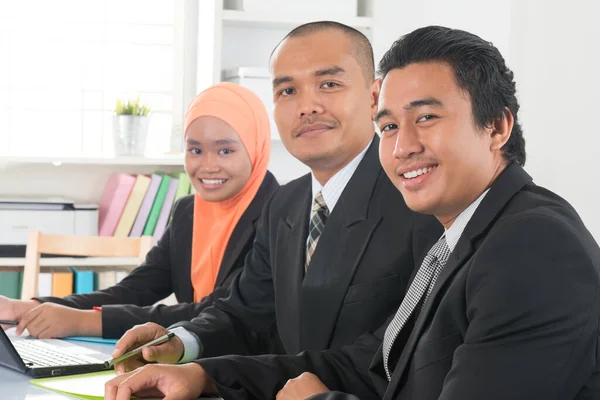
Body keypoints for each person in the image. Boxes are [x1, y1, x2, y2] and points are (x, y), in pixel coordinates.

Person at [103, 21, 441, 399]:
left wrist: (206, 375)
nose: (307, 106)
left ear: (375, 97)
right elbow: (245, 314)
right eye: (287, 90)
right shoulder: (285, 204)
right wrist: (179, 343)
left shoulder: (421, 200)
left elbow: (389, 357)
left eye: (328, 84)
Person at [271, 26, 600, 399]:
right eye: (390, 127)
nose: (402, 148)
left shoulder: (534, 246)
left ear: (497, 126)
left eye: (426, 117)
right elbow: (376, 368)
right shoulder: (459, 236)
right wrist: (208, 373)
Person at [0, 82, 279, 340]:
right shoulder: (189, 211)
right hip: (193, 359)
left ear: (256, 147)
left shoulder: (280, 215)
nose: (207, 166)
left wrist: (84, 322)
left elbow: (218, 312)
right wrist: (27, 307)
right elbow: (136, 290)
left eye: (225, 151)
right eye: (195, 150)